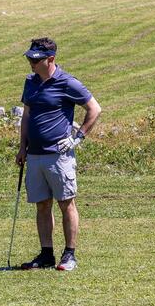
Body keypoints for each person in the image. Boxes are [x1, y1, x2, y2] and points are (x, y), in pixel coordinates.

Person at [15, 38, 101, 271]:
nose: (31, 63)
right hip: (35, 155)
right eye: (29, 58)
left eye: (36, 59)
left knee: (66, 203)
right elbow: (27, 116)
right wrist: (22, 147)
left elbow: (94, 108)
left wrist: (77, 137)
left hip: (59, 155)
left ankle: (69, 255)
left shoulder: (67, 83)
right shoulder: (30, 82)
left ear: (50, 59)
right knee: (42, 205)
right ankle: (46, 255)